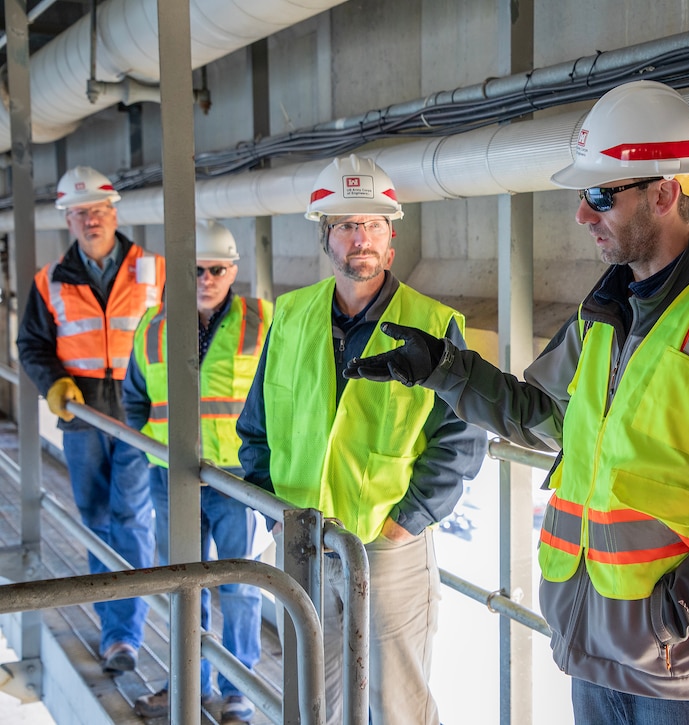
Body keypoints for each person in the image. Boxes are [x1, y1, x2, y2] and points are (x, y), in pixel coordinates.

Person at [347, 80, 689, 724]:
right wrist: (445, 370)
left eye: (600, 194)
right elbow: (546, 418)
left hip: (686, 680)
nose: (582, 214)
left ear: (664, 193)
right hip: (594, 660)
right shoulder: (602, 316)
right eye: (583, 194)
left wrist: (680, 610)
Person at [236, 155, 486, 725]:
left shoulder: (432, 322)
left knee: (395, 702)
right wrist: (273, 510)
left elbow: (461, 438)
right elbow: (256, 426)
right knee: (310, 698)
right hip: (302, 537)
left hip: (388, 545)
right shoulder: (292, 316)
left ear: (391, 240)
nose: (360, 238)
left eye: (373, 224)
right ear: (326, 237)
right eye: (347, 225)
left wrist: (408, 520)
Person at [16, 166, 164, 675]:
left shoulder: (154, 270)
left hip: (139, 413)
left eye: (96, 210)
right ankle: (112, 628)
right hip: (81, 415)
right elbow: (31, 344)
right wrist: (53, 381)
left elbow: (183, 336)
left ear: (113, 213)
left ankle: (125, 634)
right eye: (79, 213)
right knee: (97, 520)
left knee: (129, 516)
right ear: (68, 221)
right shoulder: (49, 280)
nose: (89, 220)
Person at [122, 219, 270, 724]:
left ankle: (237, 690)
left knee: (240, 586)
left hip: (236, 480)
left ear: (232, 272)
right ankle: (187, 681)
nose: (205, 278)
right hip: (173, 482)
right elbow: (134, 400)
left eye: (215, 269)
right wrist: (154, 453)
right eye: (194, 270)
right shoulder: (153, 326)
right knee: (183, 586)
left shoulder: (264, 321)